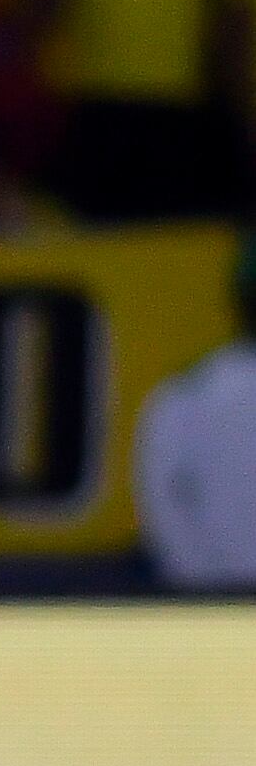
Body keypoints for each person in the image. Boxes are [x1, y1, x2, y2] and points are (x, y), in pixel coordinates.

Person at [136, 238, 256, 590]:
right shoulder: (187, 395)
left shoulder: (186, 394)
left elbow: (164, 509)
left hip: (209, 602)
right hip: (212, 598)